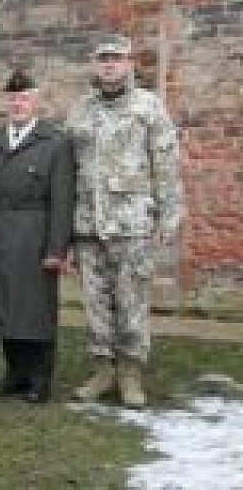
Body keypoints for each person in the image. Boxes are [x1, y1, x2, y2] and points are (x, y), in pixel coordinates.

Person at [65, 35, 182, 408]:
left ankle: (130, 373)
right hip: (88, 223)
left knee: (131, 300)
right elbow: (67, 167)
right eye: (103, 59)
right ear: (95, 65)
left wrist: (169, 214)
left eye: (116, 58)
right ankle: (103, 370)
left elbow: (165, 163)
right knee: (96, 303)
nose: (110, 65)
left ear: (129, 63)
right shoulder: (80, 110)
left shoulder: (148, 107)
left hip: (131, 221)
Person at [0, 70, 74, 403]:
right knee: (3, 304)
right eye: (13, 98)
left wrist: (57, 248)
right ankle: (14, 372)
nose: (18, 103)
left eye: (25, 98)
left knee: (36, 308)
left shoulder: (55, 143)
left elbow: (62, 200)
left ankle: (39, 377)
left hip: (36, 234)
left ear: (37, 103)